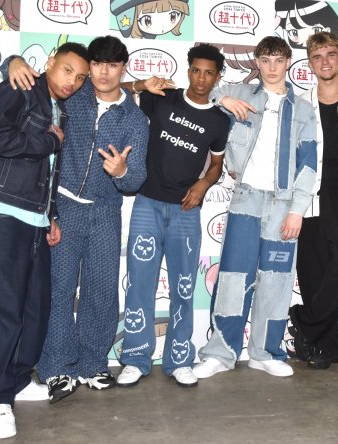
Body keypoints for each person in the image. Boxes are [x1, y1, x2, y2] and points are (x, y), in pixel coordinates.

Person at [5, 36, 149, 402]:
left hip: (105, 211)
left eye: (112, 65)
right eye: (97, 64)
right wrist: (13, 60)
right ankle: (56, 367)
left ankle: (93, 364)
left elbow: (136, 179)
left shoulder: (135, 118)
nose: (103, 72)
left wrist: (121, 171)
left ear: (123, 68)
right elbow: (33, 79)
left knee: (101, 291)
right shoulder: (73, 96)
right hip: (63, 208)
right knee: (58, 289)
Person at [0, 42, 90, 439]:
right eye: (68, 70)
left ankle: (17, 380)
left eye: (80, 77)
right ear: (50, 62)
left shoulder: (59, 109)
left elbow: (48, 171)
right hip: (2, 209)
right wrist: (48, 142)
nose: (73, 81)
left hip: (34, 217)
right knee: (0, 307)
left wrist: (50, 214)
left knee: (33, 308)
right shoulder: (19, 86)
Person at [194, 36, 317, 379]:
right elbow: (202, 91)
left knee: (276, 282)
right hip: (245, 198)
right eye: (265, 60)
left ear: (288, 62)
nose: (272, 67)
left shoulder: (304, 109)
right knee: (233, 278)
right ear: (257, 63)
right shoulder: (242, 94)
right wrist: (223, 98)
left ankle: (265, 352)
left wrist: (297, 210)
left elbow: (308, 163)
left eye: (278, 60)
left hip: (282, 204)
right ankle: (220, 353)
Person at [115, 44, 230, 388]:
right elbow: (114, 91)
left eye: (209, 73)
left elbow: (217, 164)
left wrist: (203, 185)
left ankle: (179, 359)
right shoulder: (163, 98)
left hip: (186, 210)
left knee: (183, 287)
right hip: (147, 203)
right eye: (196, 70)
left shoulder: (219, 120)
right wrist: (140, 84)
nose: (201, 79)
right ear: (188, 70)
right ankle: (135, 358)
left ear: (217, 77)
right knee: (140, 284)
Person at [288, 32, 338, 370]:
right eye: (317, 56)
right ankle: (326, 347)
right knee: (314, 274)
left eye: (331, 54)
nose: (325, 62)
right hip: (309, 195)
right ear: (309, 63)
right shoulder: (299, 102)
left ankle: (304, 322)